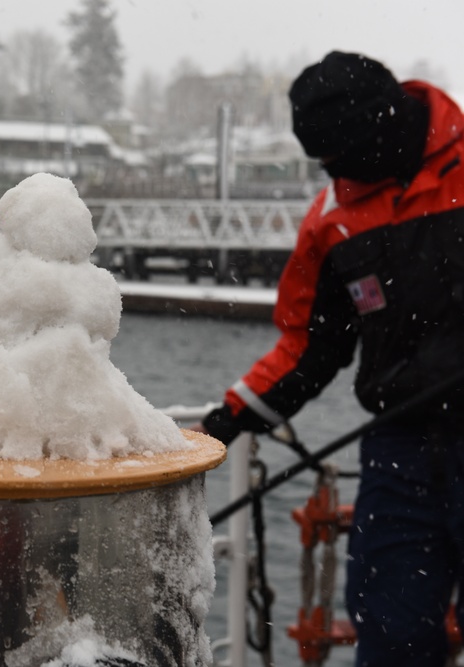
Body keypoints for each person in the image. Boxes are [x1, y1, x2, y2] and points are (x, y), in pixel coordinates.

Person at [197, 51, 464, 666]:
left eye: (337, 160)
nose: (331, 174)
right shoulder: (331, 222)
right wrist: (233, 417)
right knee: (392, 630)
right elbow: (309, 346)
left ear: (384, 128)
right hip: (399, 453)